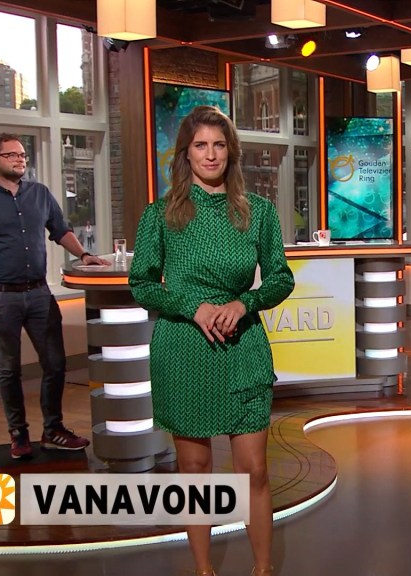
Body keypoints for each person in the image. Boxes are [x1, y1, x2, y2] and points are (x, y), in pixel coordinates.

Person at [129, 106, 294, 576]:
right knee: (195, 471)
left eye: (219, 145)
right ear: (186, 153)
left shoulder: (257, 212)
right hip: (184, 349)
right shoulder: (161, 215)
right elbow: (142, 283)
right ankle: (204, 570)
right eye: (200, 145)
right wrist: (193, 307)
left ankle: (263, 569)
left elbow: (281, 277)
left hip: (243, 348)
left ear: (231, 152)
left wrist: (245, 303)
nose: (211, 154)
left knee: (254, 470)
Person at [0, 133, 109, 460]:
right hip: (0, 298)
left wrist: (84, 255)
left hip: (39, 294)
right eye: (12, 155)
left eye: (23, 155)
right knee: (9, 370)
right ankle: (18, 434)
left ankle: (53, 430)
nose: (20, 160)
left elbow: (61, 230)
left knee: (56, 364)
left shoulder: (39, 194)